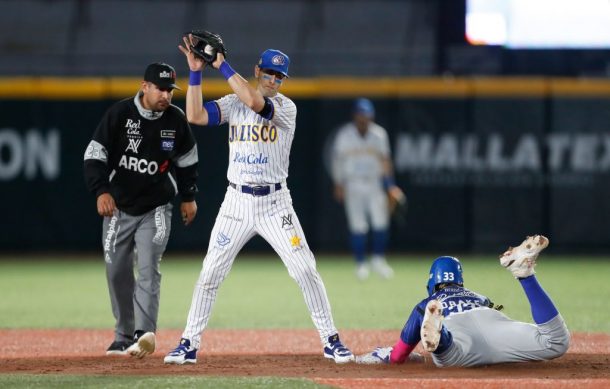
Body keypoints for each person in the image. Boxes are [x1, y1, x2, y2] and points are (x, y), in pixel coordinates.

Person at [163, 34, 354, 365]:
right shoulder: (232, 102)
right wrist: (195, 73)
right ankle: (188, 343)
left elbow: (255, 103)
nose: (274, 80)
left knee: (305, 269)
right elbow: (194, 116)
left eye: (279, 76)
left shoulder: (285, 108)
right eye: (269, 73)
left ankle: (331, 340)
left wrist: (221, 65)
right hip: (236, 202)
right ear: (257, 70)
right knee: (210, 273)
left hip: (275, 204)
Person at [83, 62, 199, 358]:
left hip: (156, 207)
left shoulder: (175, 118)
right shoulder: (120, 114)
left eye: (170, 90)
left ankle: (143, 334)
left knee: (148, 265)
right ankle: (123, 335)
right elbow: (94, 154)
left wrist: (188, 197)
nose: (166, 95)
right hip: (118, 208)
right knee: (116, 270)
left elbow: (187, 160)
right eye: (160, 88)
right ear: (144, 86)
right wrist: (101, 191)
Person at [356, 234, 570, 367]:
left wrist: (388, 355)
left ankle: (440, 334)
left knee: (447, 357)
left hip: (460, 338)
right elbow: (498, 307)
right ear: (460, 281)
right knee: (556, 342)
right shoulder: (479, 296)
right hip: (495, 324)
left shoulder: (425, 303)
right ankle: (525, 275)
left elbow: (398, 356)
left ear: (431, 283)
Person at [330, 98, 404, 280]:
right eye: (361, 114)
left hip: (374, 184)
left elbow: (385, 161)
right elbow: (337, 161)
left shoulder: (379, 135)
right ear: (355, 115)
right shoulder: (344, 135)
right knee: (358, 225)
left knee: (380, 222)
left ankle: (378, 260)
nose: (364, 118)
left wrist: (390, 185)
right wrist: (338, 183)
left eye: (367, 115)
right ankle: (361, 263)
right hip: (353, 184)